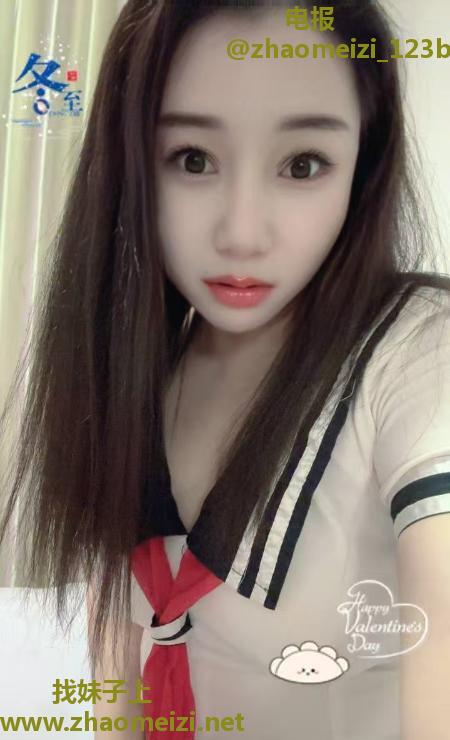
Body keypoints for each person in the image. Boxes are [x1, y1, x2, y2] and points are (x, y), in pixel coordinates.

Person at [1, 1, 450, 738]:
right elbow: (117, 664)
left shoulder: (419, 351)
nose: (242, 234)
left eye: (302, 165)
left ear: (362, 168)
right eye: (192, 159)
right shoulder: (135, 366)